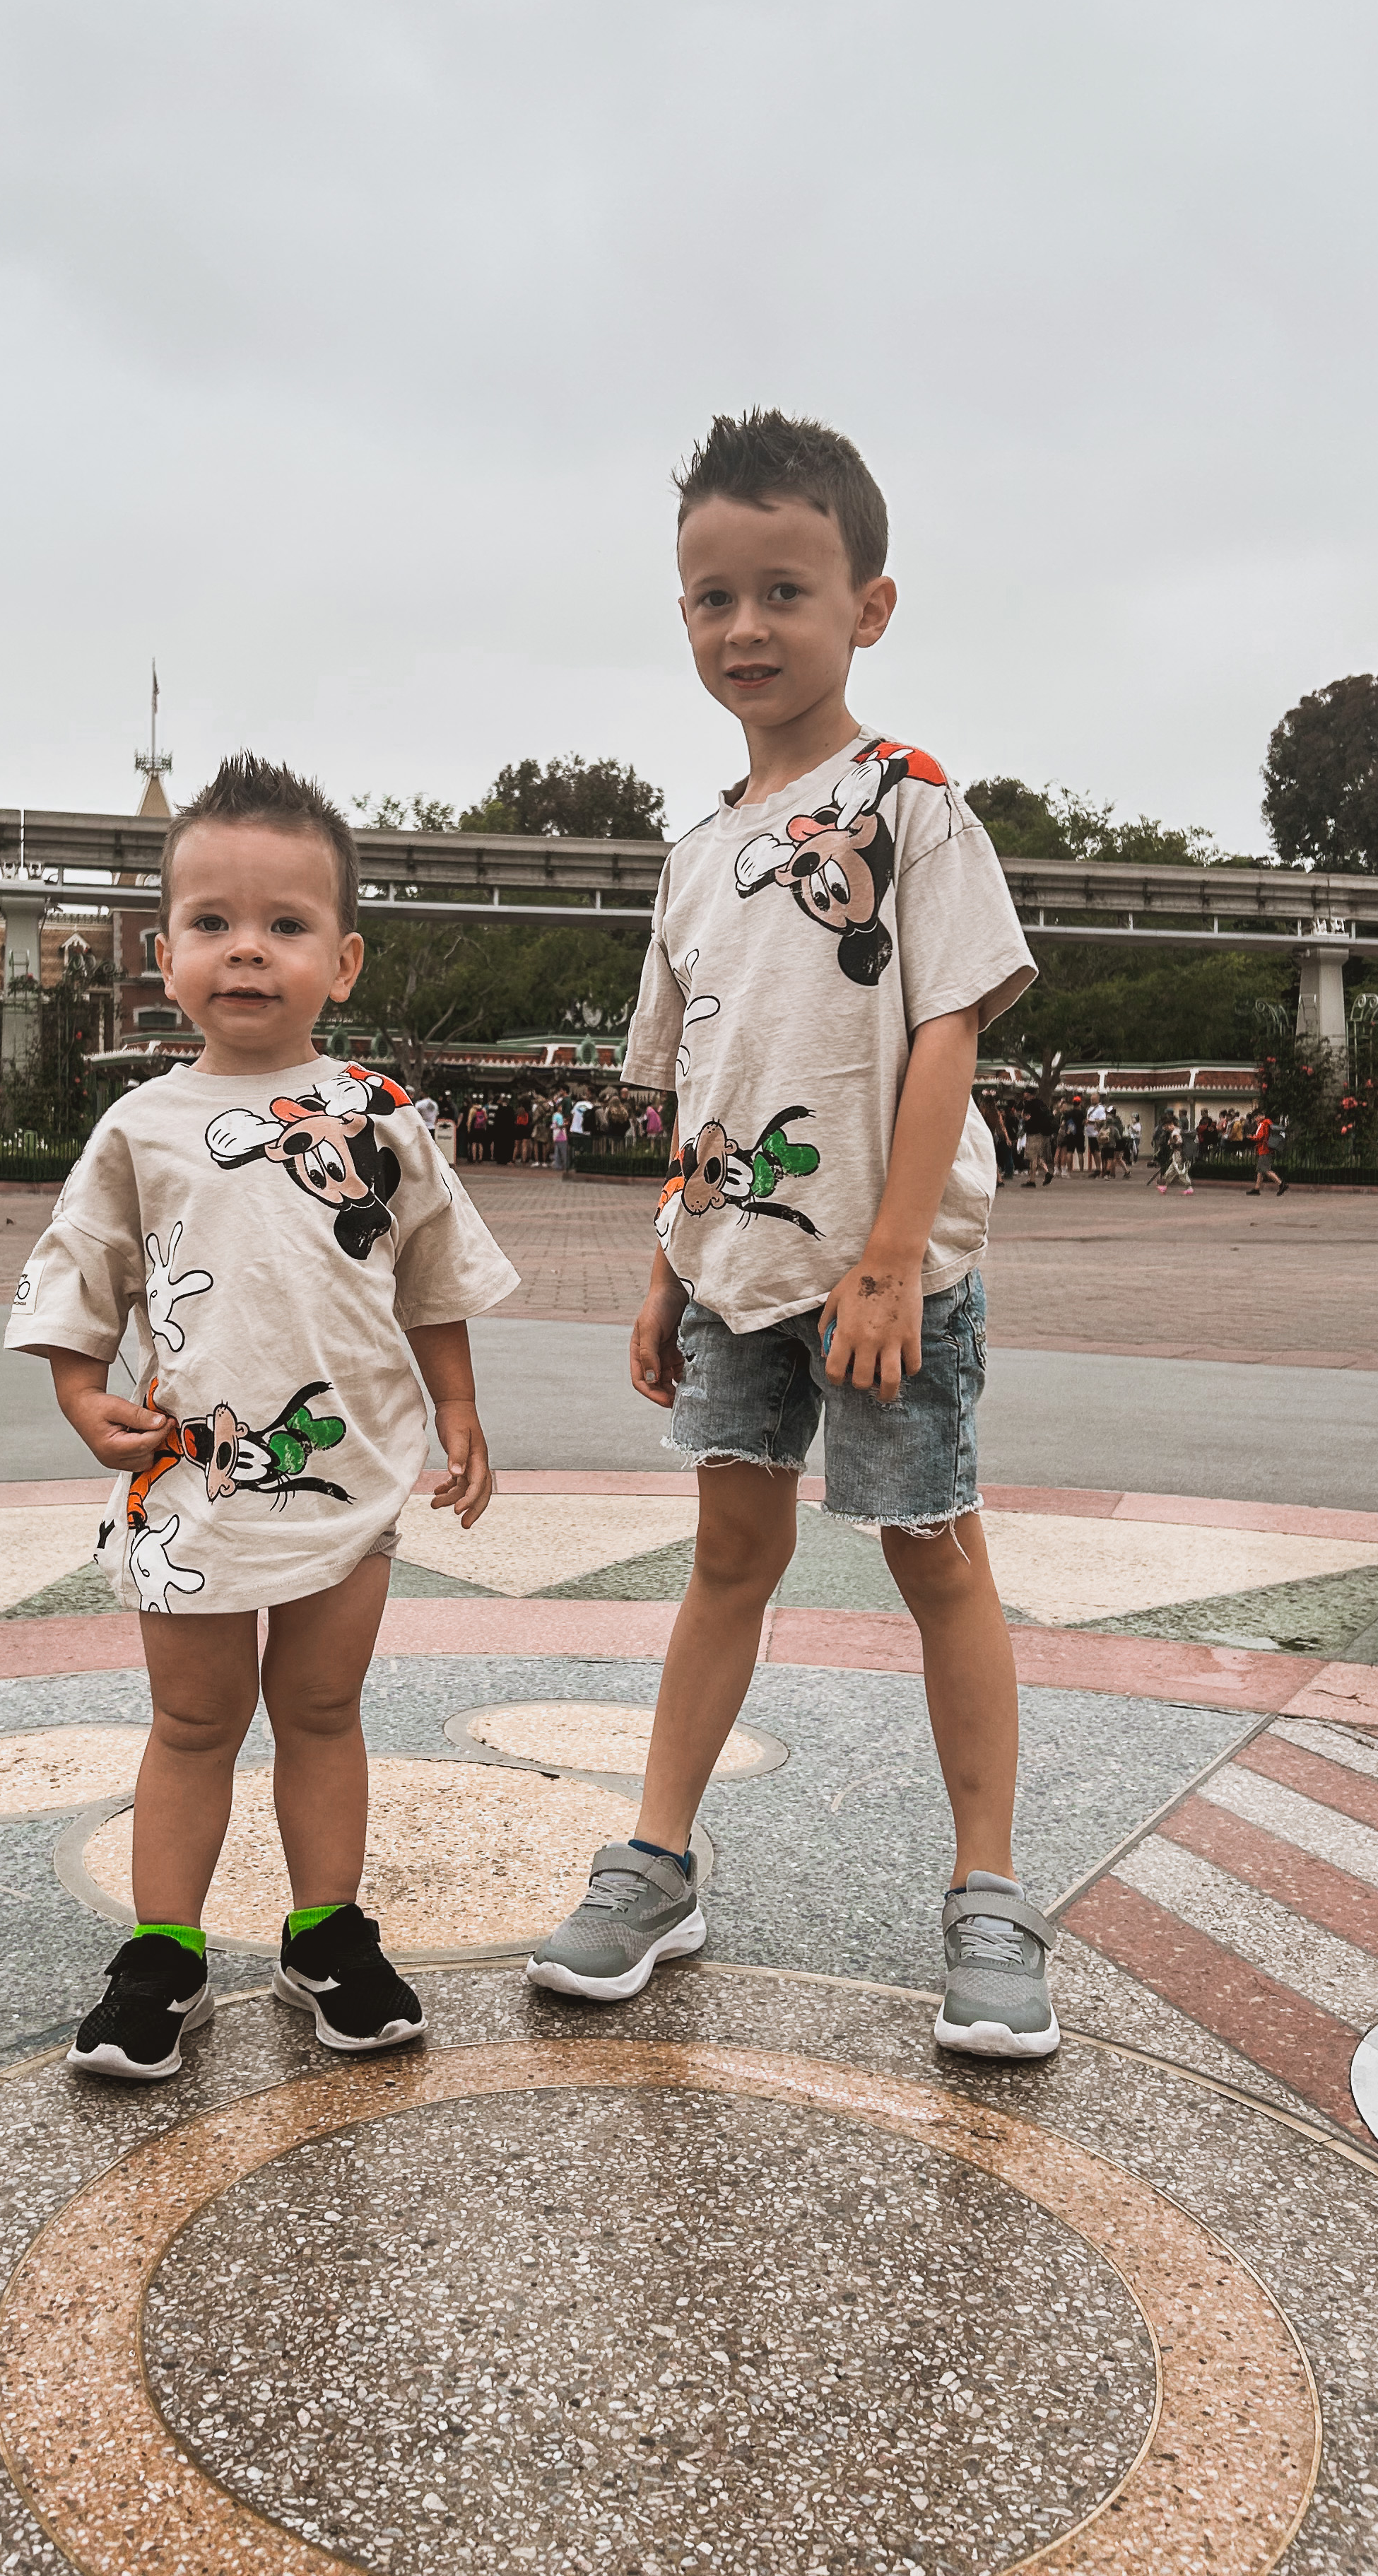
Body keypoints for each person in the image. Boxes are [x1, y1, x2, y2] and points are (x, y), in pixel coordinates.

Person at [526, 408, 1056, 2059]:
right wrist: (662, 1266)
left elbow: (948, 1027)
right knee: (727, 1560)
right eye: (713, 597)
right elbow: (701, 1081)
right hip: (731, 1271)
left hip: (888, 1275)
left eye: (785, 591)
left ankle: (989, 1892)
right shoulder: (693, 857)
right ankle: (658, 1861)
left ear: (867, 608)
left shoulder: (909, 803)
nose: (745, 627)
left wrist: (890, 1258)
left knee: (934, 1554)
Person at [6, 753, 517, 2080]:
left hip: (349, 1472)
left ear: (341, 962)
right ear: (164, 955)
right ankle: (162, 1952)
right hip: (189, 1481)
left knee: (324, 1708)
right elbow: (80, 1273)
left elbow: (431, 1273)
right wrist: (77, 1391)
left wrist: (458, 1405)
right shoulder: (140, 1127)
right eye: (212, 922)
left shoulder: (379, 1116)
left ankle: (324, 1933)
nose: (247, 950)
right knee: (192, 1721)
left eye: (285, 924)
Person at [1153, 1102, 1195, 1195]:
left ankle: (1189, 1187)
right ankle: (1164, 1186)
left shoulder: (1174, 1132)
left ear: (1170, 1124)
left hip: (1179, 1154)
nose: (1165, 1128)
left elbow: (1177, 1140)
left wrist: (1171, 1142)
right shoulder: (1178, 1129)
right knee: (1171, 1170)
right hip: (1177, 1154)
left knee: (1181, 1172)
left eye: (1166, 1126)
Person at [1247, 1107, 1285, 1197]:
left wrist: (1251, 1137)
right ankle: (1257, 1188)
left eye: (1256, 1117)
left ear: (1259, 1117)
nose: (1255, 1120)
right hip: (1268, 1149)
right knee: (1260, 1170)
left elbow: (1259, 1137)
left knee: (1265, 1170)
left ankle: (1281, 1184)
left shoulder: (1263, 1124)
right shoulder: (1268, 1124)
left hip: (1264, 1150)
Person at [1021, 1091, 1054, 1186]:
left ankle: (1032, 1180)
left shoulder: (1029, 1105)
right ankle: (1047, 1172)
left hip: (1033, 1133)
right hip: (1043, 1134)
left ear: (1029, 1094)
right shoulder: (1041, 1104)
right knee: (1037, 1156)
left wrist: (1023, 1115)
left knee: (1033, 1158)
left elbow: (1026, 1117)